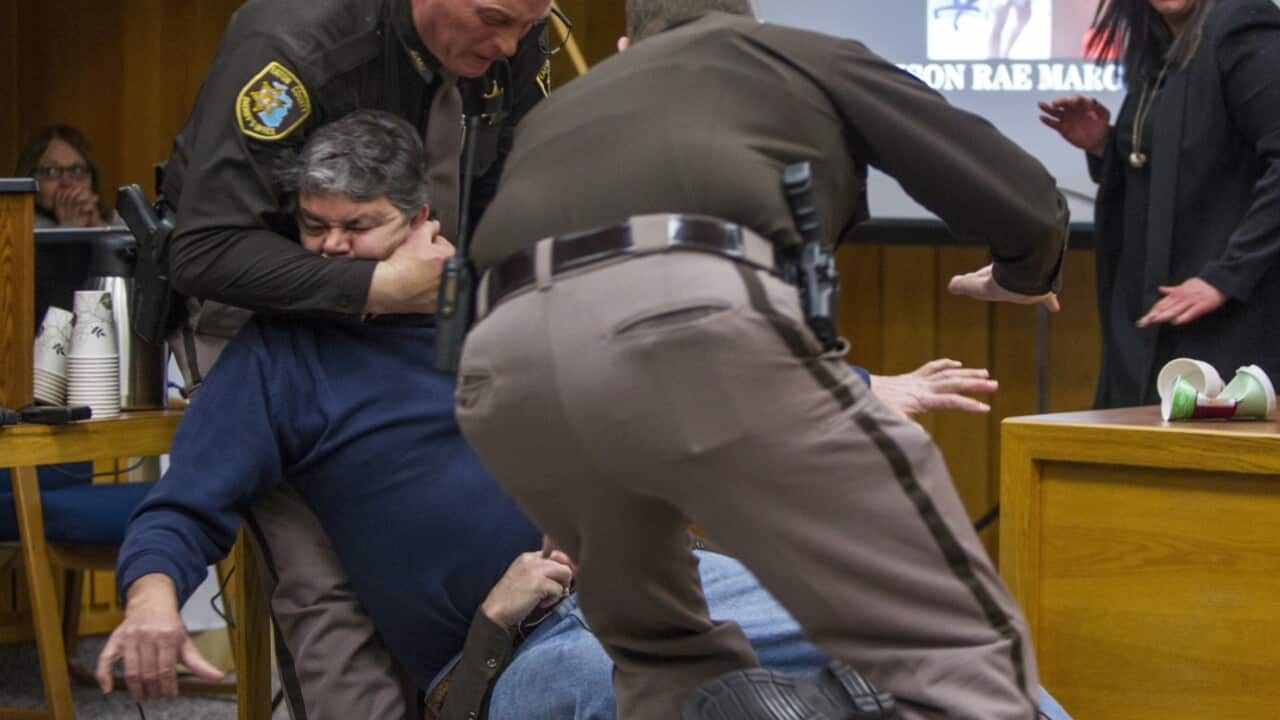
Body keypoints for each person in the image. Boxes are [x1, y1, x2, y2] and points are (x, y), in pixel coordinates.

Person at [96, 109, 906, 720]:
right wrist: (152, 599)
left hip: (657, 576)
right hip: (517, 639)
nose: (331, 251)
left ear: (420, 223)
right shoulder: (280, 357)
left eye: (358, 227)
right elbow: (184, 503)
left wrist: (855, 388)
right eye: (314, 227)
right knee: (634, 694)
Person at [454, 1, 1070, 718]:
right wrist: (1025, 272)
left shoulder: (563, 109)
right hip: (686, 315)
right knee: (952, 640)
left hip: (498, 370)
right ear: (749, 26)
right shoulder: (796, 54)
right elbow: (1015, 190)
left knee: (666, 659)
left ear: (627, 46)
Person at [153, 1, 554, 717]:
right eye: (496, 19)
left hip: (422, 310)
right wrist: (372, 284)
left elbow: (501, 195)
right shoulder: (296, 42)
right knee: (327, 589)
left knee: (462, 530)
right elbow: (205, 249)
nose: (511, 43)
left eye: (529, 23)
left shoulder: (515, 31)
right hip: (262, 310)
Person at [1039, 0, 1280, 408]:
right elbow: (1181, 165)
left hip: (1230, 329)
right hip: (1155, 324)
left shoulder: (1242, 26)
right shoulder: (1160, 45)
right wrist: (1104, 146)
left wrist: (1225, 277)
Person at [14, 124, 115, 229]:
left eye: (77, 170)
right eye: (51, 171)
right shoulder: (16, 229)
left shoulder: (116, 220)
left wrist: (98, 227)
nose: (66, 182)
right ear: (30, 177)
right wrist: (69, 227)